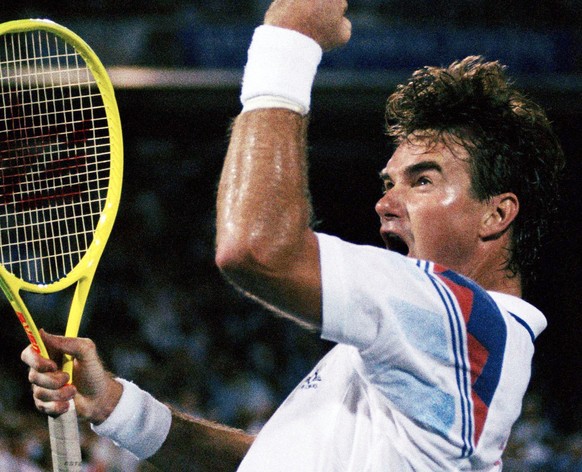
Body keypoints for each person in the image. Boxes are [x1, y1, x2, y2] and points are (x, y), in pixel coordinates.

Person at [21, 0, 565, 470]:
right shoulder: (440, 347)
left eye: (423, 180)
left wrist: (288, 37)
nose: (384, 202)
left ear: (497, 214)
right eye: (388, 182)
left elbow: (255, 248)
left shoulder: (464, 325)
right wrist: (121, 408)